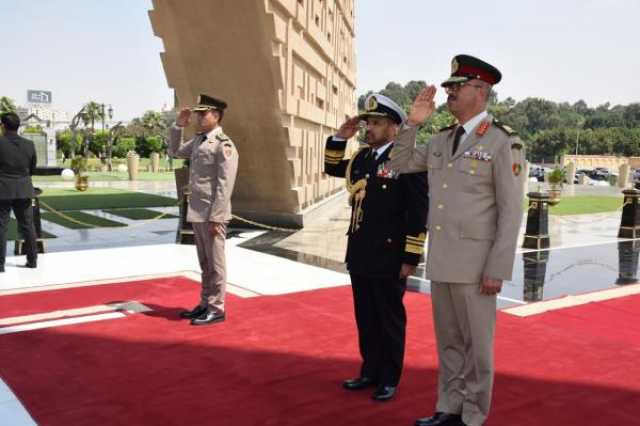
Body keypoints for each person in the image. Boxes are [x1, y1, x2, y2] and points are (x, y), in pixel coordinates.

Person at [388, 55, 526, 426]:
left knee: (477, 347)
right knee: (448, 343)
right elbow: (397, 165)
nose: (448, 92)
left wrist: (498, 267)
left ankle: (473, 416)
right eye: (448, 86)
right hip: (444, 259)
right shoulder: (439, 139)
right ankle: (448, 407)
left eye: (456, 86)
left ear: (480, 91)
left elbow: (510, 211)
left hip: (477, 264)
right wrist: (412, 124)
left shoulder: (502, 142)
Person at [324, 94, 429, 402]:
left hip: (390, 253)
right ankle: (369, 370)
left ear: (395, 127)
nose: (369, 128)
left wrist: (411, 256)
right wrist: (339, 138)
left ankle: (389, 377)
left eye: (377, 123)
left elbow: (418, 212)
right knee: (365, 316)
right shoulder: (361, 158)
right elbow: (333, 168)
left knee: (389, 318)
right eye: (368, 122)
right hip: (360, 250)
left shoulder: (406, 158)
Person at [168, 94, 239, 325]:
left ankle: (217, 309)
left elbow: (225, 183)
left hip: (212, 213)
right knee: (205, 263)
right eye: (197, 113)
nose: (198, 117)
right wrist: (179, 125)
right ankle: (205, 303)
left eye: (203, 113)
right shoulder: (200, 140)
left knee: (216, 264)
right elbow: (175, 152)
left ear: (216, 116)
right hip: (198, 211)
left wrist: (217, 217)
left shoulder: (223, 144)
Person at [0, 112, 38, 273]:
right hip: (23, 188)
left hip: (3, 189)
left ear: (2, 126)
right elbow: (32, 168)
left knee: (1, 227)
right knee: (28, 226)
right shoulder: (29, 144)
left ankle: (0, 265)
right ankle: (32, 260)